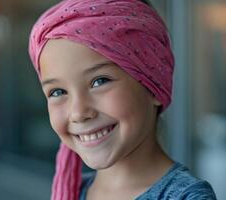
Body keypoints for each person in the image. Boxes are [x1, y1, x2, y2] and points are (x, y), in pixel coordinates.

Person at [28, 0, 217, 199]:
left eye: (99, 81)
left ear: (151, 85)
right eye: (57, 92)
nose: (78, 113)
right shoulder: (72, 190)